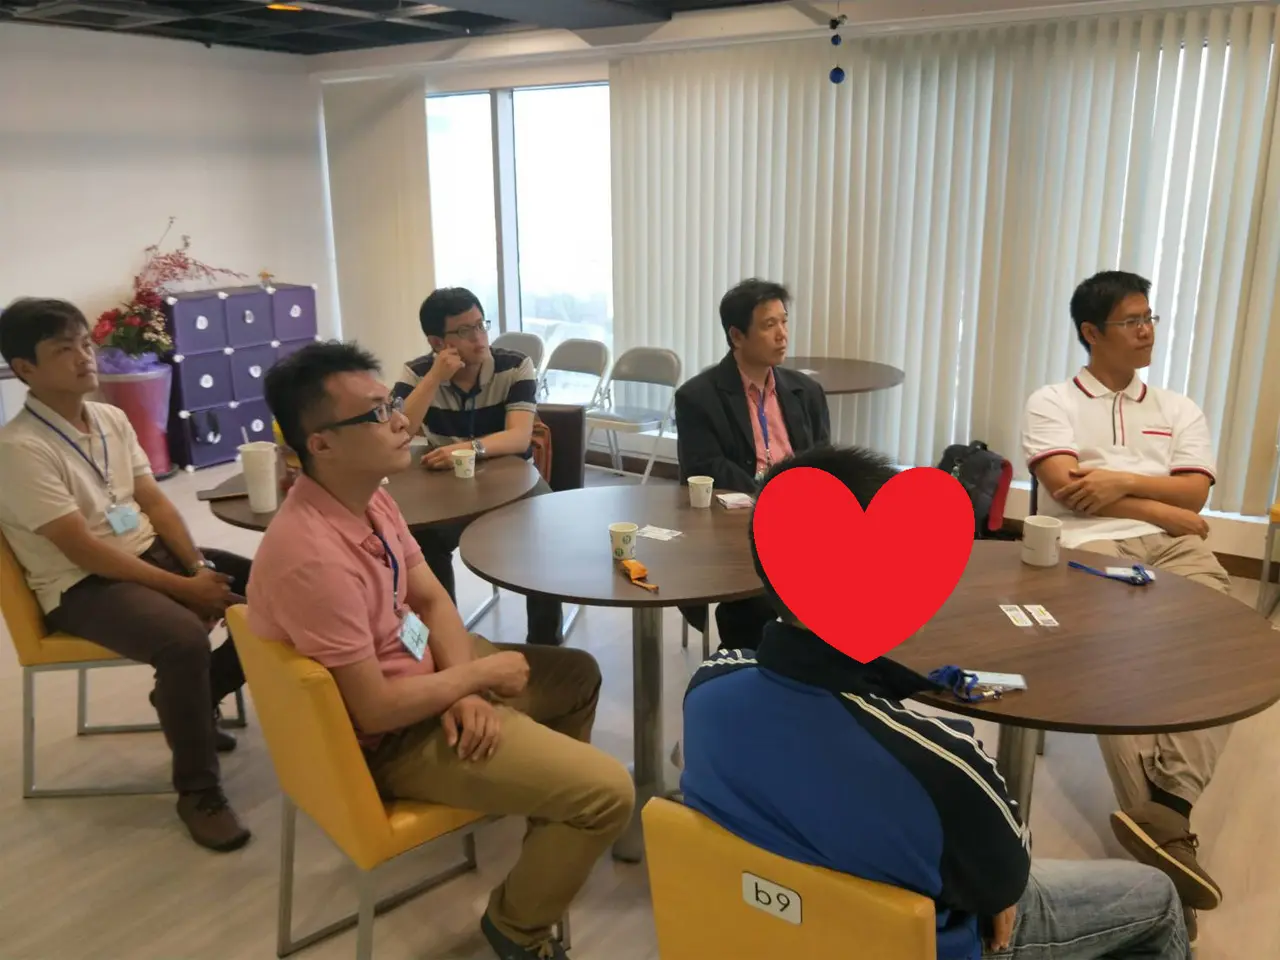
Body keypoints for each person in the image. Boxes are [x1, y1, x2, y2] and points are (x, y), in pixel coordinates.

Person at [681, 444, 1191, 960]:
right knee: (1157, 895)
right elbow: (1005, 883)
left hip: (759, 929)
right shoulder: (943, 763)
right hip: (917, 945)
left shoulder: (706, 689)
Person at [248, 341, 634, 960]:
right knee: (608, 794)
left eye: (391, 405)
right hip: (390, 738)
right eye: (378, 414)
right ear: (321, 444)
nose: (402, 421)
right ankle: (516, 927)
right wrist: (469, 681)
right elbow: (374, 709)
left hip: (423, 680)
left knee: (576, 676)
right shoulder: (311, 557)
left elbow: (428, 598)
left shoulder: (368, 497)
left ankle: (546, 827)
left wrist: (464, 685)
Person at [1022, 270, 1232, 935]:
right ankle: (1170, 849)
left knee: (1225, 643)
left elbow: (1196, 492)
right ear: (1091, 332)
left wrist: (1113, 482)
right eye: (1131, 321)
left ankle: (1167, 812)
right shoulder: (1053, 402)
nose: (1146, 331)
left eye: (1150, 319)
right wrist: (1161, 507)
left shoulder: (1177, 407)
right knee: (1121, 660)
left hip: (1175, 547)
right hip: (1093, 546)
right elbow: (1065, 487)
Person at [0, 298, 251, 852]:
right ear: (24, 369)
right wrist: (186, 589)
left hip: (145, 552)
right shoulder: (18, 449)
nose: (84, 357)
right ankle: (198, 791)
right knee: (182, 639)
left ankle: (193, 697)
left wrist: (197, 567)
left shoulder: (110, 418)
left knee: (271, 587)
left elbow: (154, 503)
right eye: (63, 350)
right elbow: (82, 549)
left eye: (85, 343)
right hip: (82, 584)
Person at [392, 287, 563, 646]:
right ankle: (448, 640)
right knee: (420, 542)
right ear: (437, 342)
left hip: (515, 482)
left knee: (547, 536)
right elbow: (398, 432)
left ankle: (545, 643)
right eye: (464, 330)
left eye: (481, 324)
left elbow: (518, 437)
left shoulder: (514, 365)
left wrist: (465, 449)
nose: (479, 337)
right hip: (448, 489)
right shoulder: (417, 372)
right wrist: (433, 379)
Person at [673, 278, 830, 648]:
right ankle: (747, 668)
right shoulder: (698, 397)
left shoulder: (805, 391)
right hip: (743, 522)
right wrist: (772, 494)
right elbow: (705, 467)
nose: (782, 334)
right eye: (768, 325)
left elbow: (823, 459)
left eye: (784, 321)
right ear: (737, 336)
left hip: (805, 517)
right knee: (754, 605)